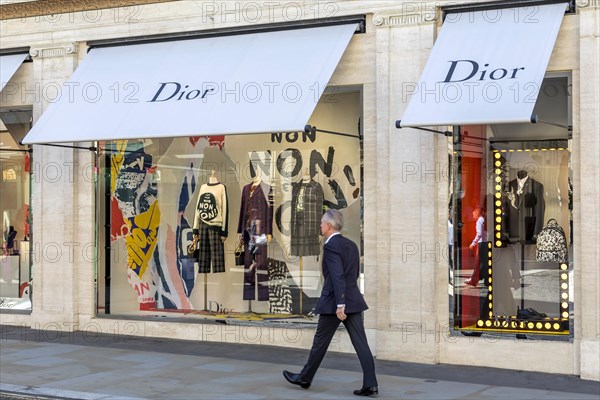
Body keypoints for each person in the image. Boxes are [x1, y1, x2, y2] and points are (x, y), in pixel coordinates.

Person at [283, 209, 378, 397]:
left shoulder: (331, 246)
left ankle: (305, 377)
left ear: (328, 225)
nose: (319, 225)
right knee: (361, 343)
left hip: (336, 303)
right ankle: (371, 384)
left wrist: (340, 304)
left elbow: (337, 276)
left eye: (321, 223)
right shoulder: (351, 245)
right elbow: (354, 275)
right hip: (353, 300)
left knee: (320, 342)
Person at [465, 207, 488, 286]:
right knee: (483, 262)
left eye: (474, 213)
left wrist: (473, 243)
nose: (473, 215)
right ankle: (479, 279)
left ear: (478, 213)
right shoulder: (485, 219)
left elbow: (479, 234)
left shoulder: (479, 221)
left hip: (483, 244)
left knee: (479, 263)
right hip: (487, 243)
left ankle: (475, 279)